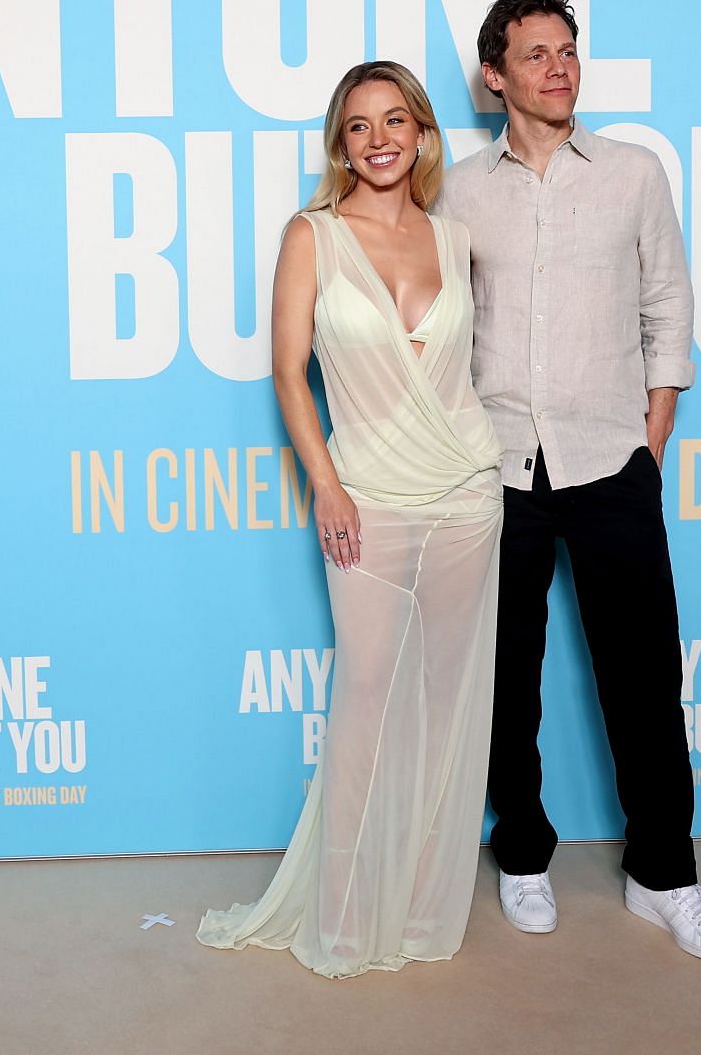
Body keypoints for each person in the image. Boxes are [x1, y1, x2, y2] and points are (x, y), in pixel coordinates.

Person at [436, 0, 701, 961]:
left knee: (645, 681)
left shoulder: (634, 173)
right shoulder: (460, 192)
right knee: (502, 680)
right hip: (497, 466)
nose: (560, 67)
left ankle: (665, 875)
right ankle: (520, 852)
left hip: (611, 460)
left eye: (569, 50)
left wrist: (649, 440)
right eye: (536, 54)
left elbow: (669, 309)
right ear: (496, 75)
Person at [197, 61, 504, 979]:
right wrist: (327, 486)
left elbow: (468, 373)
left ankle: (416, 908)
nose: (378, 140)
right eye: (359, 126)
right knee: (368, 695)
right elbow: (291, 373)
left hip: (466, 492)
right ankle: (339, 915)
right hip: (366, 489)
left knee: (448, 705)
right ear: (340, 144)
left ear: (421, 135)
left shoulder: (455, 242)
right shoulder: (313, 238)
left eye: (395, 121)